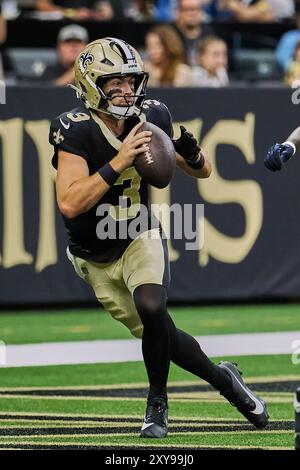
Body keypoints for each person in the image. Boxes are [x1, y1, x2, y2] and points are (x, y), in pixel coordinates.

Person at [49, 37, 269, 438]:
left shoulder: (152, 114)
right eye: (114, 82)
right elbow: (68, 202)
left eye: (130, 81)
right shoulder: (75, 130)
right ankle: (226, 381)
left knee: (152, 305)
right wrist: (120, 160)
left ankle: (157, 404)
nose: (126, 90)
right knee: (162, 332)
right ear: (90, 83)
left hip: (137, 232)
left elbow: (203, 172)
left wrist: (193, 153)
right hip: (93, 254)